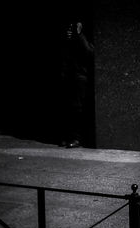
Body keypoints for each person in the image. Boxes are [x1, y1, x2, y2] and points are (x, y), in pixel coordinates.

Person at [59, 19, 94, 148]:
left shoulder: (81, 40)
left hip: (79, 77)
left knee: (77, 108)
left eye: (71, 28)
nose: (69, 31)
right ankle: (67, 136)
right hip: (67, 77)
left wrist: (79, 35)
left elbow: (89, 52)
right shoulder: (64, 42)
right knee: (66, 107)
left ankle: (76, 137)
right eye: (67, 28)